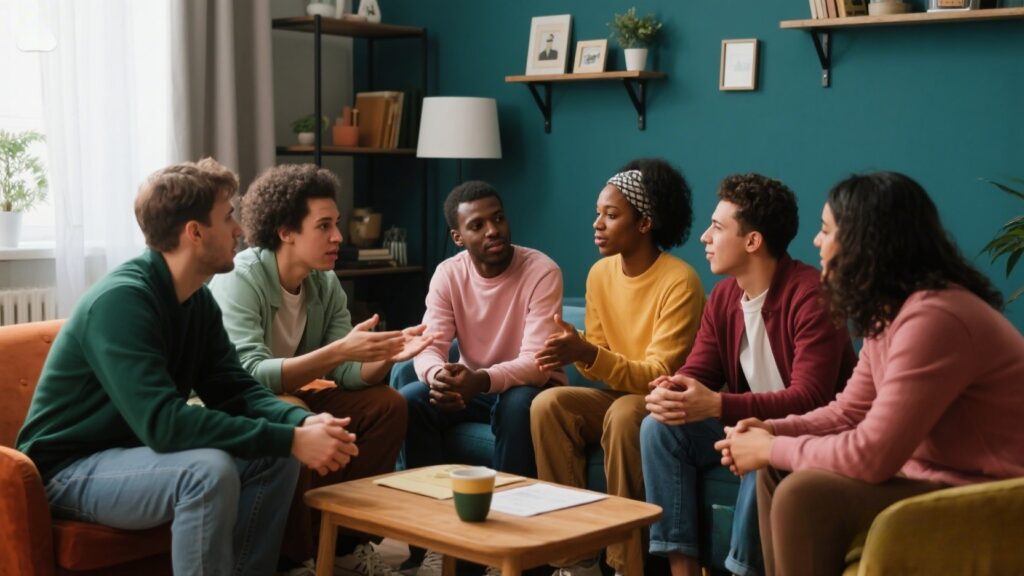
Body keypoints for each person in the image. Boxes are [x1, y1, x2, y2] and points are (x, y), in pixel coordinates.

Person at [16, 158, 357, 576]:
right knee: (207, 472)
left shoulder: (196, 300)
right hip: (70, 470)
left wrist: (300, 423)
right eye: (227, 216)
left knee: (276, 458)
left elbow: (234, 389)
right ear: (194, 232)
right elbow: (164, 424)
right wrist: (288, 438)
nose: (239, 230)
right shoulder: (121, 302)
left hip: (135, 455)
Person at [715, 172, 1024, 576]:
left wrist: (769, 447)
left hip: (992, 495)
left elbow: (871, 455)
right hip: (933, 479)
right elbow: (847, 412)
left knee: (802, 494)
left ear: (865, 241)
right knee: (774, 470)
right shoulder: (890, 314)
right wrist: (771, 430)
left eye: (826, 230)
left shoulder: (935, 318)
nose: (816, 241)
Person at [209, 163, 431, 575]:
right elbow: (248, 374)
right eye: (324, 226)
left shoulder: (324, 283)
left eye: (337, 224)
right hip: (232, 402)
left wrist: (387, 354)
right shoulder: (241, 279)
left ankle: (347, 542)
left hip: (290, 395)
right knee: (295, 410)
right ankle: (295, 558)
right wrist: (337, 352)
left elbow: (345, 372)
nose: (338, 237)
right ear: (286, 232)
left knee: (388, 404)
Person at [640, 173, 856, 576]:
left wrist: (718, 405)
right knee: (659, 427)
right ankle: (682, 569)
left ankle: (740, 571)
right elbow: (699, 371)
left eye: (717, 228)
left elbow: (812, 397)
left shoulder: (811, 295)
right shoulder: (724, 296)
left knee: (758, 448)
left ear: (752, 241)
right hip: (748, 426)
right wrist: (672, 390)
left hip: (809, 434)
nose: (705, 237)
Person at [531, 158, 705, 576]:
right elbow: (600, 363)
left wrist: (588, 353)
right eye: (598, 213)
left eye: (611, 215)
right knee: (548, 405)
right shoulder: (599, 274)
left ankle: (627, 565)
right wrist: (576, 350)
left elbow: (659, 371)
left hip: (666, 402)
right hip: (618, 397)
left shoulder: (680, 281)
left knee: (625, 413)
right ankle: (573, 561)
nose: (597, 224)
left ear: (644, 223)